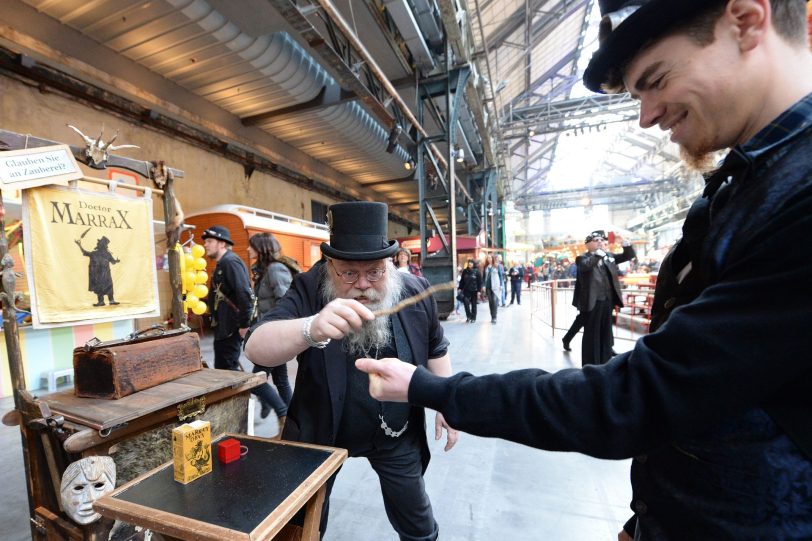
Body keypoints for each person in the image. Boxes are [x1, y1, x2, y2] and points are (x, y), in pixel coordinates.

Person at [355, 1, 812, 539]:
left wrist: (431, 389)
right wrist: (647, 513)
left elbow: (636, 398)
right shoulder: (753, 181)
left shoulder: (796, 196)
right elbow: (710, 402)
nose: (646, 115)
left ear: (747, 19)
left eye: (655, 80)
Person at [244, 201, 457, 541]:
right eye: (348, 273)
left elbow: (436, 347)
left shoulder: (414, 290)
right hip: (319, 434)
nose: (363, 284)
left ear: (390, 262)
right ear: (330, 266)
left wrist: (446, 398)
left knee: (418, 523)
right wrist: (310, 328)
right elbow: (256, 346)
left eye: (374, 272)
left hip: (395, 433)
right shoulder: (308, 287)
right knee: (302, 526)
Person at [203, 225, 278, 419]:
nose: (205, 245)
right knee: (227, 371)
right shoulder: (223, 263)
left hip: (231, 329)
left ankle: (277, 405)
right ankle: (267, 401)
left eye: (209, 241)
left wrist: (245, 324)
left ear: (222, 243)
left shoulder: (231, 262)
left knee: (228, 374)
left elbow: (245, 294)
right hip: (224, 328)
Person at [248, 232, 300, 433]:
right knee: (280, 380)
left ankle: (281, 412)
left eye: (251, 246)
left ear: (261, 248)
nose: (247, 249)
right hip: (268, 331)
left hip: (273, 334)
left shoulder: (275, 269)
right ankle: (294, 423)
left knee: (255, 381)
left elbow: (286, 302)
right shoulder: (265, 270)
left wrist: (278, 333)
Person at [574, 230, 635, 364]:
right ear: (587, 244)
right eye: (596, 240)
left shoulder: (609, 256)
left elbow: (629, 255)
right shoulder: (582, 258)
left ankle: (606, 361)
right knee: (592, 334)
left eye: (602, 240)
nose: (600, 242)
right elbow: (586, 266)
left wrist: (625, 242)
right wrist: (598, 255)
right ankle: (590, 363)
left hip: (608, 301)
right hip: (592, 302)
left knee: (606, 332)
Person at [76, 236, 120, 306]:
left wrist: (116, 261)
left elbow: (113, 262)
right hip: (99, 275)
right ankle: (102, 301)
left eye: (99, 243)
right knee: (100, 287)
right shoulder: (95, 253)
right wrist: (79, 245)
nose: (98, 244)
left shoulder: (106, 254)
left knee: (108, 287)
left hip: (105, 274)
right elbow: (85, 253)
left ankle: (110, 301)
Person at [457, 258, 481, 323]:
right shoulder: (465, 271)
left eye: (471, 263)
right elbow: (462, 281)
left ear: (473, 264)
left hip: (474, 290)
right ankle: (469, 316)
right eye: (469, 263)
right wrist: (459, 288)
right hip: (466, 290)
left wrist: (479, 291)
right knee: (466, 303)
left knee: (473, 305)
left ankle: (473, 318)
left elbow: (479, 282)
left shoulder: (477, 271)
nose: (470, 264)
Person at [483, 255, 501, 324]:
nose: (489, 259)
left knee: (494, 301)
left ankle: (495, 317)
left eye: (490, 257)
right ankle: (492, 317)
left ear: (492, 258)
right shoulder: (486, 267)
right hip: (488, 287)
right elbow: (483, 277)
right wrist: (483, 286)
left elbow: (500, 276)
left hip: (495, 286)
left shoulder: (497, 266)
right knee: (490, 302)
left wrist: (501, 285)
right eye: (487, 258)